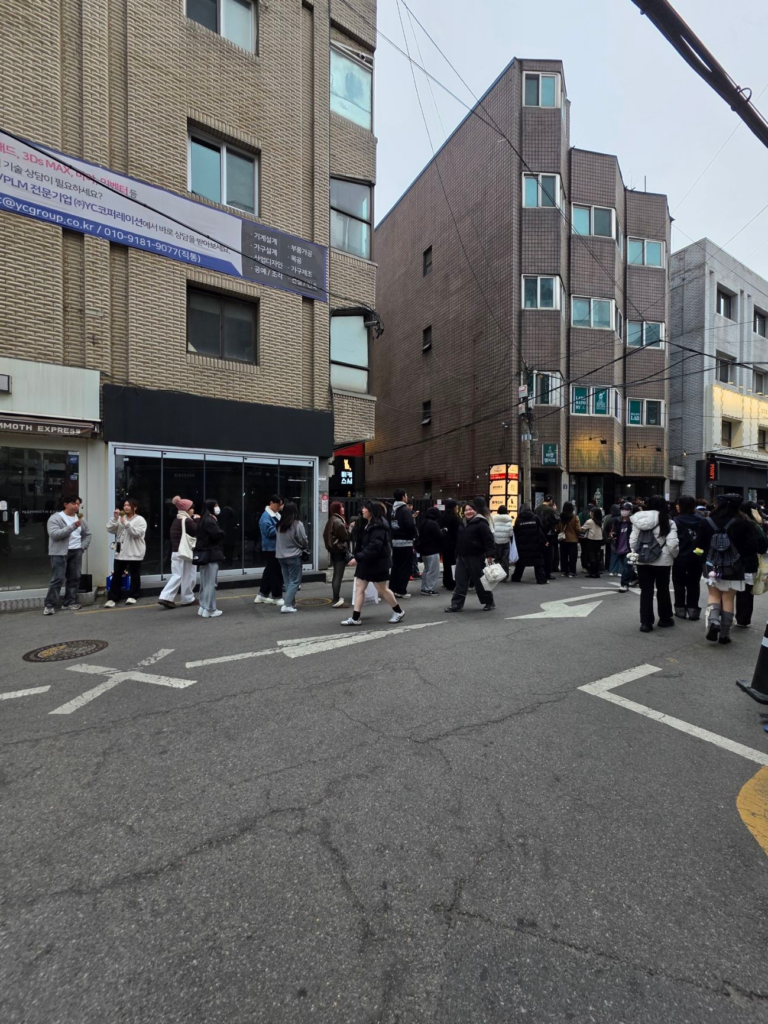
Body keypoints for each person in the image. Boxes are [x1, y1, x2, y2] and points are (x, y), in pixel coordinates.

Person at [341, 500, 405, 626]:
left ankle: (398, 611)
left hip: (377, 563)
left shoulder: (379, 527)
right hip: (367, 561)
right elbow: (362, 541)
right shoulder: (368, 523)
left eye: (365, 508)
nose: (362, 510)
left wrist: (358, 558)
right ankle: (355, 618)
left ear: (371, 511)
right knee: (360, 587)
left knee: (383, 589)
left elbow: (374, 547)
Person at [630, 495, 680, 633]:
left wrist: (638, 552)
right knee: (663, 589)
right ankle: (665, 618)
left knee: (646, 591)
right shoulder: (667, 521)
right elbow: (672, 544)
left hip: (643, 560)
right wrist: (674, 556)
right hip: (663, 561)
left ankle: (646, 623)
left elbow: (633, 542)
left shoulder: (637, 520)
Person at [44, 496, 92, 615]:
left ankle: (69, 602)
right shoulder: (56, 518)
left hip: (76, 551)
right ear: (65, 504)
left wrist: (82, 547)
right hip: (60, 553)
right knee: (58, 579)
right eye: (73, 503)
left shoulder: (80, 519)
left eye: (78, 503)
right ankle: (49, 605)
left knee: (74, 578)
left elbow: (88, 534)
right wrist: (73, 526)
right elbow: (54, 535)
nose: (76, 506)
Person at [445, 499, 496, 612]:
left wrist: (490, 555)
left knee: (480, 582)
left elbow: (488, 540)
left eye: (470, 509)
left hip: (476, 557)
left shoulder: (481, 523)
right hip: (462, 556)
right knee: (460, 581)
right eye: (466, 510)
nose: (468, 512)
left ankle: (489, 602)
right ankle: (456, 604)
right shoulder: (462, 524)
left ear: (475, 510)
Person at [158, 496, 199, 609]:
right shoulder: (187, 520)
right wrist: (197, 519)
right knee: (188, 575)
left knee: (180, 575)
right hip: (185, 552)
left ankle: (187, 598)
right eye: (192, 508)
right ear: (187, 509)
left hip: (176, 552)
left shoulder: (176, 520)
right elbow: (197, 530)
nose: (193, 510)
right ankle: (167, 596)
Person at [105, 498, 147, 607]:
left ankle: (133, 596)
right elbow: (109, 529)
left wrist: (126, 523)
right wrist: (115, 518)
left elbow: (137, 533)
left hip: (134, 551)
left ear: (135, 508)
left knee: (135, 574)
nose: (126, 507)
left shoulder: (140, 520)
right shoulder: (119, 519)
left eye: (129, 505)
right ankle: (113, 598)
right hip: (121, 551)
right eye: (125, 505)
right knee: (117, 574)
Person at [735, 501, 768, 628]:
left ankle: (721, 616)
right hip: (748, 562)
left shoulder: (731, 521)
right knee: (745, 593)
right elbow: (763, 546)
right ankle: (742, 619)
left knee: (725, 592)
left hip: (727, 562)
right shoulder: (754, 525)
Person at [672, 495, 704, 620]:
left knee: (679, 583)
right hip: (697, 556)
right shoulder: (701, 520)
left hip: (680, 557)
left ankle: (680, 610)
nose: (676, 506)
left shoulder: (676, 521)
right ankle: (693, 611)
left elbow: (673, 541)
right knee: (694, 584)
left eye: (678, 504)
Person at [275, 501, 308, 613]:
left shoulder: (279, 524)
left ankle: (291, 604)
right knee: (295, 581)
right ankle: (287, 604)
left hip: (280, 555)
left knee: (288, 581)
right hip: (293, 555)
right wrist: (305, 546)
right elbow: (303, 540)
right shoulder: (297, 524)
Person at [196, 499, 226, 619]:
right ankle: (210, 609)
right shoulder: (210, 520)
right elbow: (217, 534)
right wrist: (223, 532)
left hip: (204, 554)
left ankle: (203, 606)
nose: (218, 507)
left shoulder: (203, 519)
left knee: (205, 582)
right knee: (211, 583)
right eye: (216, 505)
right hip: (211, 554)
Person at [254, 494, 284, 606]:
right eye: (277, 505)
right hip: (270, 548)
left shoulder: (275, 515)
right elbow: (270, 532)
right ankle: (277, 596)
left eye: (280, 505)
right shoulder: (266, 517)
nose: (279, 507)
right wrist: (282, 527)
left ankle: (262, 595)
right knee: (275, 573)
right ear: (271, 503)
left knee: (269, 572)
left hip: (274, 547)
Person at [389, 489, 417, 599]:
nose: (407, 497)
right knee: (405, 567)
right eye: (406, 495)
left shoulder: (393, 509)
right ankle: (401, 590)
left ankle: (392, 589)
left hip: (395, 541)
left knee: (396, 566)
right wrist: (413, 535)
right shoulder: (405, 510)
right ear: (403, 497)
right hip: (406, 542)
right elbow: (410, 526)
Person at [323, 501, 351, 608]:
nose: (343, 508)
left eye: (343, 506)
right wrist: (351, 528)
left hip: (334, 551)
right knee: (338, 576)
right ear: (337, 509)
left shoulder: (331, 519)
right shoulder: (338, 521)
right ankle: (336, 599)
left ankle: (336, 598)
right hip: (339, 550)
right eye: (341, 507)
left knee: (336, 575)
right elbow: (345, 536)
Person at [510, 507, 549, 584]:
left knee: (520, 563)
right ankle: (541, 579)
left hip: (522, 545)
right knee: (538, 563)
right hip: (535, 545)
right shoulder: (535, 518)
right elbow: (541, 528)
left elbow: (516, 532)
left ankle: (516, 577)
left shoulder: (519, 519)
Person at [416, 506, 443, 594]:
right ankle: (429, 589)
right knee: (433, 570)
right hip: (433, 550)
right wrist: (444, 531)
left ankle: (424, 587)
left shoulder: (423, 522)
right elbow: (439, 535)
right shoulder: (433, 523)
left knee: (426, 570)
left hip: (424, 550)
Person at [534, 495, 560, 578]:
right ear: (551, 500)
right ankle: (547, 573)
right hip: (548, 534)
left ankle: (539, 572)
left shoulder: (537, 509)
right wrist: (555, 511)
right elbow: (557, 519)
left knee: (540, 554)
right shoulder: (550, 510)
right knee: (548, 554)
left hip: (539, 534)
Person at [613, 503, 635, 592]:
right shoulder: (617, 521)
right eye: (622, 509)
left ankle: (624, 584)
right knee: (627, 566)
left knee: (626, 566)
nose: (623, 511)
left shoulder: (633, 522)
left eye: (626, 509)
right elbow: (614, 531)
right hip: (619, 547)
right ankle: (635, 578)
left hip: (629, 548)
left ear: (630, 511)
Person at [440, 499, 460, 590]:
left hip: (444, 543)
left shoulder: (443, 516)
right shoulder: (455, 518)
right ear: (454, 507)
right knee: (453, 563)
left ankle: (446, 581)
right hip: (453, 543)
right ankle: (452, 583)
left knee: (446, 563)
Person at [492, 504, 515, 580]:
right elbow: (511, 534)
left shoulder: (493, 520)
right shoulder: (509, 521)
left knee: (497, 558)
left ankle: (497, 575)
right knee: (505, 559)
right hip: (506, 542)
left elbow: (491, 531)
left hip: (496, 542)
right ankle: (505, 576)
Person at [580, 507, 604, 579]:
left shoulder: (590, 521)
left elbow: (582, 529)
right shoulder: (600, 521)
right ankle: (596, 572)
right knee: (597, 556)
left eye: (591, 512)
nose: (590, 513)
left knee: (591, 556)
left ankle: (592, 572)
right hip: (599, 540)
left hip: (591, 540)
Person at [558, 503, 580, 578]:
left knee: (563, 556)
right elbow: (577, 529)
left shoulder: (561, 517)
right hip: (573, 539)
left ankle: (564, 571)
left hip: (563, 539)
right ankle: (572, 572)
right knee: (573, 557)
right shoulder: (575, 517)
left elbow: (558, 527)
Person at [603, 504, 620, 575]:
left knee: (613, 554)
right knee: (620, 555)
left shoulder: (609, 518)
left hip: (612, 538)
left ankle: (612, 570)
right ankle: (619, 570)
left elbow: (606, 529)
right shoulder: (621, 518)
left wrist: (606, 538)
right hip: (621, 539)